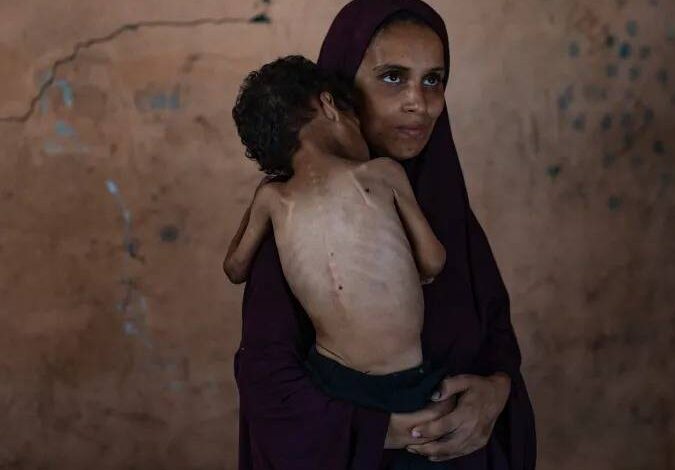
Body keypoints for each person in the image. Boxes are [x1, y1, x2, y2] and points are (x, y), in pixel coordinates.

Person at [233, 1, 537, 469]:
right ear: (336, 94)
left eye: (434, 80)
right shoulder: (295, 215)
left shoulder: (445, 207)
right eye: (393, 77)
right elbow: (269, 385)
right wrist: (385, 431)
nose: (419, 102)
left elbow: (496, 340)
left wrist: (496, 393)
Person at [225, 54, 450, 417]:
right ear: (329, 105)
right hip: (404, 376)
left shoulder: (274, 199)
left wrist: (262, 193)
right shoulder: (381, 174)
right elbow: (434, 260)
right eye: (356, 120)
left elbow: (235, 268)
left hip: (333, 378)